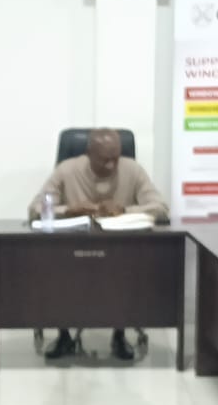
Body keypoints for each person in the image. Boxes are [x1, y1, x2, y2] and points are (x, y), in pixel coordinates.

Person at [26, 128, 168, 361]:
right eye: (104, 160)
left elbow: (160, 207)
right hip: (71, 251)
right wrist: (68, 210)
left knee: (127, 269)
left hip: (120, 252)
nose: (111, 165)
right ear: (89, 154)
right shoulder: (67, 170)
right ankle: (63, 336)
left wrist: (125, 210)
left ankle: (119, 335)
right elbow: (35, 209)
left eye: (115, 158)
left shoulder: (132, 169)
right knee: (55, 268)